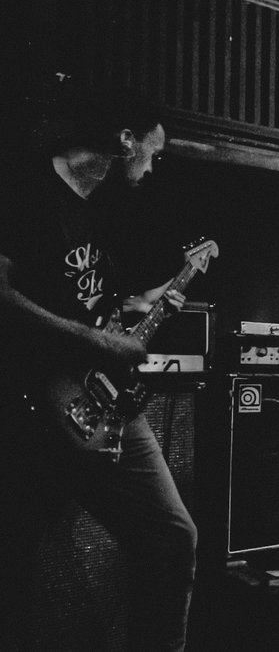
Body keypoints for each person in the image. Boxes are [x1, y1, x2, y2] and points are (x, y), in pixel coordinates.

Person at [0, 95, 197, 650]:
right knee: (16, 561)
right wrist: (94, 340)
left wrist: (141, 305)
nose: (152, 167)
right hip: (32, 402)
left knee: (171, 537)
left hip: (101, 401)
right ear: (125, 139)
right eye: (152, 153)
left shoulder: (103, 207)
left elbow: (93, 300)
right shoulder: (27, 188)